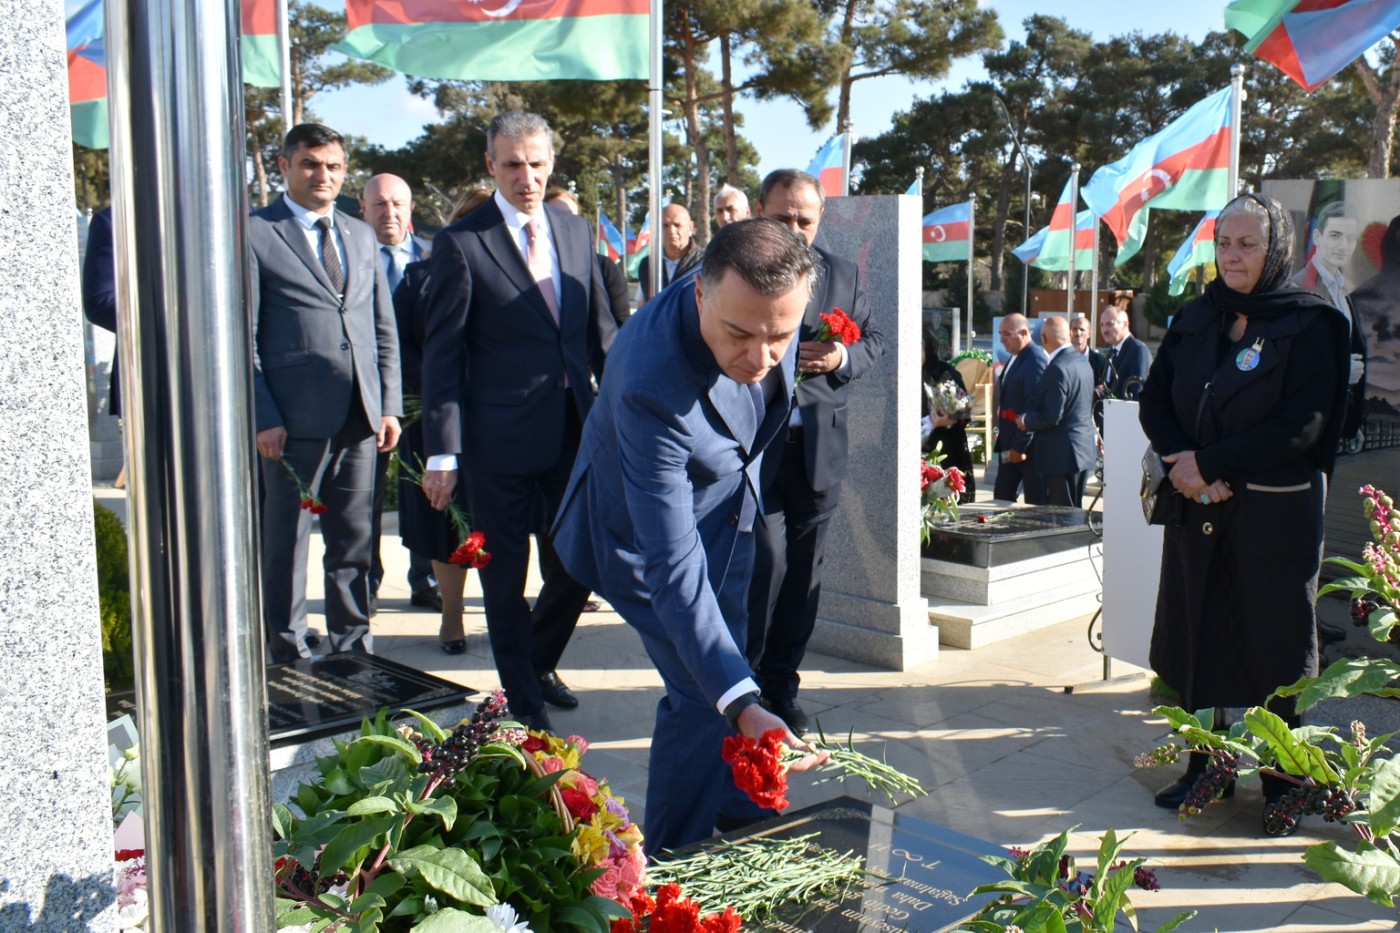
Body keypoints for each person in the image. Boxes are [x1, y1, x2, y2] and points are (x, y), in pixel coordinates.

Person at [550, 218, 827, 853]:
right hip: (639, 541)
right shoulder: (653, 384)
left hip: (723, 511)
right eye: (740, 335)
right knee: (706, 695)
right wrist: (740, 701)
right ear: (700, 293)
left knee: (731, 669)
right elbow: (673, 568)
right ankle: (673, 861)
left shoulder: (762, 298)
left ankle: (734, 801)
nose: (760, 359)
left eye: (780, 337)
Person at [1138, 193, 1349, 835]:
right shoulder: (1196, 317)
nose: (1232, 256)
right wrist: (1186, 463)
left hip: (1271, 517)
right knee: (1200, 632)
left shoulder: (1312, 324)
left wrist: (1212, 464)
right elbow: (1155, 400)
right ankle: (1208, 765)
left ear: (1276, 248)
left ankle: (1284, 783)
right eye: (1224, 243)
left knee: (1272, 644)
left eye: (1247, 244)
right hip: (1198, 506)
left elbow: (1302, 426)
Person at [419, 111, 615, 733]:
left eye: (536, 164)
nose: (526, 178)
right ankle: (524, 701)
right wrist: (443, 452)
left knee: (581, 561)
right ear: (490, 166)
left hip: (571, 429)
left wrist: (628, 411)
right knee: (504, 580)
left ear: (551, 162)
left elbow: (600, 333)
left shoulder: (575, 230)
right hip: (496, 442)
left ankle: (532, 665)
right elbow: (443, 354)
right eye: (511, 165)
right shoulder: (462, 242)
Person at [250, 123, 402, 662]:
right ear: (286, 166)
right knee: (287, 544)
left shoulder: (361, 235)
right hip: (291, 423)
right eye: (312, 164)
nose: (324, 175)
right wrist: (263, 414)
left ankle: (351, 645)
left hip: (360, 418)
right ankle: (287, 649)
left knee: (353, 540)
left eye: (334, 166)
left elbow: (383, 328)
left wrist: (388, 405)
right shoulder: (254, 233)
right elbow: (242, 338)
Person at [746, 168, 885, 733]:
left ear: (820, 218)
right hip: (755, 449)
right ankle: (744, 689)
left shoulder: (842, 273)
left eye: (805, 219)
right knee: (765, 571)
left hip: (820, 450)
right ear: (761, 211)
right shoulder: (736, 268)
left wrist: (840, 360)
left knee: (804, 579)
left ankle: (782, 688)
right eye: (783, 218)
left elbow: (872, 341)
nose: (795, 229)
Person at [395, 187, 495, 654]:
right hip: (436, 420)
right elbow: (406, 349)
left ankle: (504, 619)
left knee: (499, 527)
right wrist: (446, 386)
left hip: (498, 418)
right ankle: (452, 620)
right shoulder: (418, 279)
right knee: (445, 527)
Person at [360, 173, 439, 615]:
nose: (388, 212)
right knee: (366, 495)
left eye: (397, 204)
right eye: (379, 204)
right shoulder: (349, 254)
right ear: (363, 208)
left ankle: (424, 579)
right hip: (367, 397)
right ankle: (367, 580)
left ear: (410, 208)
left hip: (423, 396)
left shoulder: (435, 254)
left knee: (425, 489)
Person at [1292, 201, 1368, 454]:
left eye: (1350, 238)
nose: (1343, 245)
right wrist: (1341, 372)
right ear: (1318, 237)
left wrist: (1349, 422)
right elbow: (1289, 361)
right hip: (1304, 430)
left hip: (1331, 424)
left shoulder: (1340, 288)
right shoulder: (1298, 289)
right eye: (1335, 235)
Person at [1014, 316, 1095, 507]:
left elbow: (1051, 416)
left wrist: (1025, 420)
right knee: (1075, 512)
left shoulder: (1057, 367)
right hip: (1081, 451)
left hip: (1062, 455)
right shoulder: (1082, 361)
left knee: (1063, 515)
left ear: (1043, 338)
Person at [546, 186, 631, 330]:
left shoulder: (604, 268)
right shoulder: (529, 266)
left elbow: (621, 323)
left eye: (570, 215)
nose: (563, 221)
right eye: (554, 214)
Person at [992, 313, 1048, 504]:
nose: (1002, 339)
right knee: (1001, 499)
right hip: (1009, 446)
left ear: (1024, 333)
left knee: (1035, 504)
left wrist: (1019, 445)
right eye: (1000, 334)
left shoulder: (1036, 358)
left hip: (1026, 450)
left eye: (1007, 334)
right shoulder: (1016, 357)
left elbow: (1033, 404)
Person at [920, 329, 975, 503]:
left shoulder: (944, 372)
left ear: (927, 349)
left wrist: (944, 420)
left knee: (942, 500)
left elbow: (963, 411)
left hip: (943, 446)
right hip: (912, 447)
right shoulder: (899, 373)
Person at [637, 203, 702, 305]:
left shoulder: (704, 262)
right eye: (665, 226)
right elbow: (642, 305)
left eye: (677, 225)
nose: (671, 231)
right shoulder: (648, 265)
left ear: (690, 228)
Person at [1099, 306, 1152, 400]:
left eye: (1109, 324)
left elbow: (1139, 391)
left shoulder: (1138, 350)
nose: (1104, 330)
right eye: (1102, 325)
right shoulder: (1112, 352)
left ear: (1125, 324)